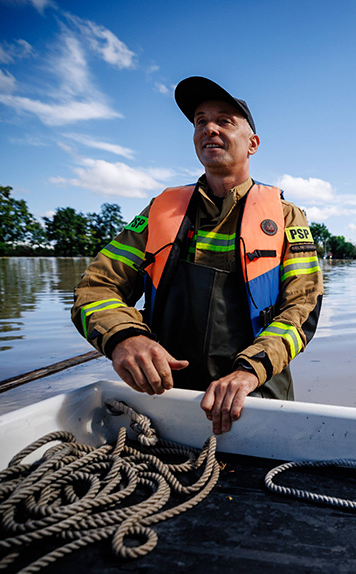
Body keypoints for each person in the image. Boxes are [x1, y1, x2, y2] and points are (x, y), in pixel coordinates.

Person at [71, 76, 323, 435]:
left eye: (224, 121)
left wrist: (248, 371)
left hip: (258, 399)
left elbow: (302, 309)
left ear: (252, 144)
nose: (209, 129)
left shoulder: (285, 216)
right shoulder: (159, 210)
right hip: (164, 401)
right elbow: (95, 289)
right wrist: (125, 338)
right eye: (200, 121)